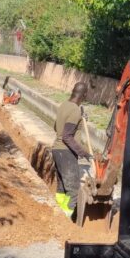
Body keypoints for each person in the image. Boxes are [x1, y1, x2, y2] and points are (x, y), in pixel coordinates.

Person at [52, 81, 91, 217]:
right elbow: (67, 137)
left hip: (57, 150)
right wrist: (83, 153)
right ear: (84, 95)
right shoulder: (75, 110)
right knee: (74, 191)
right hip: (66, 152)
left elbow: (56, 128)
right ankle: (65, 220)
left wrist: (80, 118)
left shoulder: (64, 105)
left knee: (62, 187)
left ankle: (58, 212)